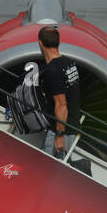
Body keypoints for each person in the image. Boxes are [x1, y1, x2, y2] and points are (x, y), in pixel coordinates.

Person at [36, 26, 81, 160]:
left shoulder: (52, 70)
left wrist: (59, 135)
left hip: (60, 130)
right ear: (59, 42)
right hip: (73, 125)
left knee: (49, 170)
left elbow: (61, 104)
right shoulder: (69, 63)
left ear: (40, 43)